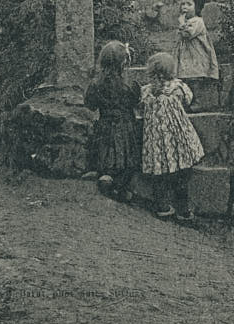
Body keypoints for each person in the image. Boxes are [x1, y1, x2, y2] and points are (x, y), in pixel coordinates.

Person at [141, 52, 204, 220]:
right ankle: (183, 210)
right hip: (178, 138)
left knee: (159, 173)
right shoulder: (178, 87)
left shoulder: (146, 91)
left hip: (156, 140)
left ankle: (162, 207)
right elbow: (188, 100)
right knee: (182, 173)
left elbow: (141, 107)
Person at [84, 41, 141, 202]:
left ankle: (106, 177)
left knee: (106, 154)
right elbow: (135, 101)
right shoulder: (129, 84)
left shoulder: (96, 84)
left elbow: (90, 104)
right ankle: (121, 187)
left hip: (105, 124)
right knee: (128, 158)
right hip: (126, 125)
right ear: (124, 63)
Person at [175, 0, 219, 112]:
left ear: (197, 6)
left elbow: (188, 34)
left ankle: (199, 103)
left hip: (197, 56)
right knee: (187, 79)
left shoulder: (198, 21)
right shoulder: (187, 22)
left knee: (195, 79)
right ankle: (189, 102)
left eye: (189, 4)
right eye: (183, 4)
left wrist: (182, 23)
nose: (184, 7)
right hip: (187, 57)